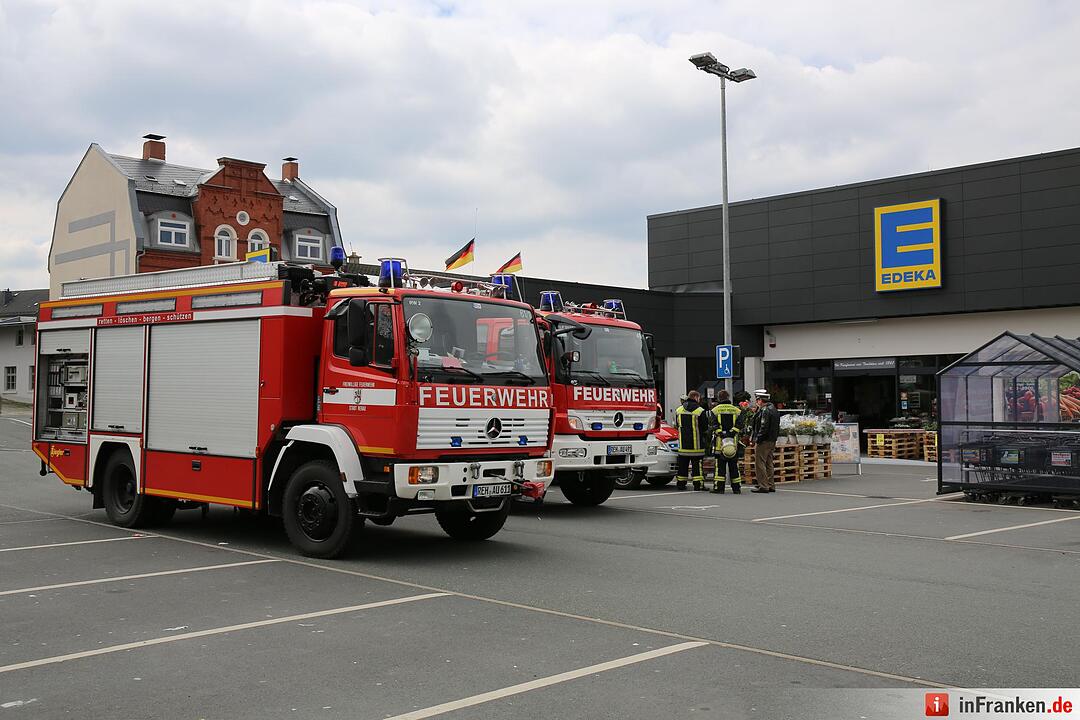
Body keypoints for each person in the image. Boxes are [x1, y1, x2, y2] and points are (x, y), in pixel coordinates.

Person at [709, 390, 742, 494]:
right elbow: (740, 425)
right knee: (734, 467)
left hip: (720, 444)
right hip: (733, 445)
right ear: (728, 397)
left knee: (720, 468)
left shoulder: (715, 410)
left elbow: (714, 425)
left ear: (719, 398)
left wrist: (722, 434)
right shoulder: (737, 410)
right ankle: (736, 488)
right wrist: (731, 433)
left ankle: (719, 488)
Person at [674, 390, 708, 490]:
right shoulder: (700, 411)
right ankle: (698, 485)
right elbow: (705, 427)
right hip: (696, 446)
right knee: (697, 466)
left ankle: (681, 484)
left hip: (683, 445)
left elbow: (677, 425)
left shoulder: (679, 410)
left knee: (682, 466)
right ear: (696, 398)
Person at [750, 389, 780, 493]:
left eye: (757, 400)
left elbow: (763, 427)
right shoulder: (773, 409)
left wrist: (758, 439)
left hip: (764, 440)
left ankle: (763, 485)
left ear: (760, 400)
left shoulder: (765, 411)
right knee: (769, 462)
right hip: (772, 440)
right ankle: (771, 485)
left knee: (760, 463)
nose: (756, 402)